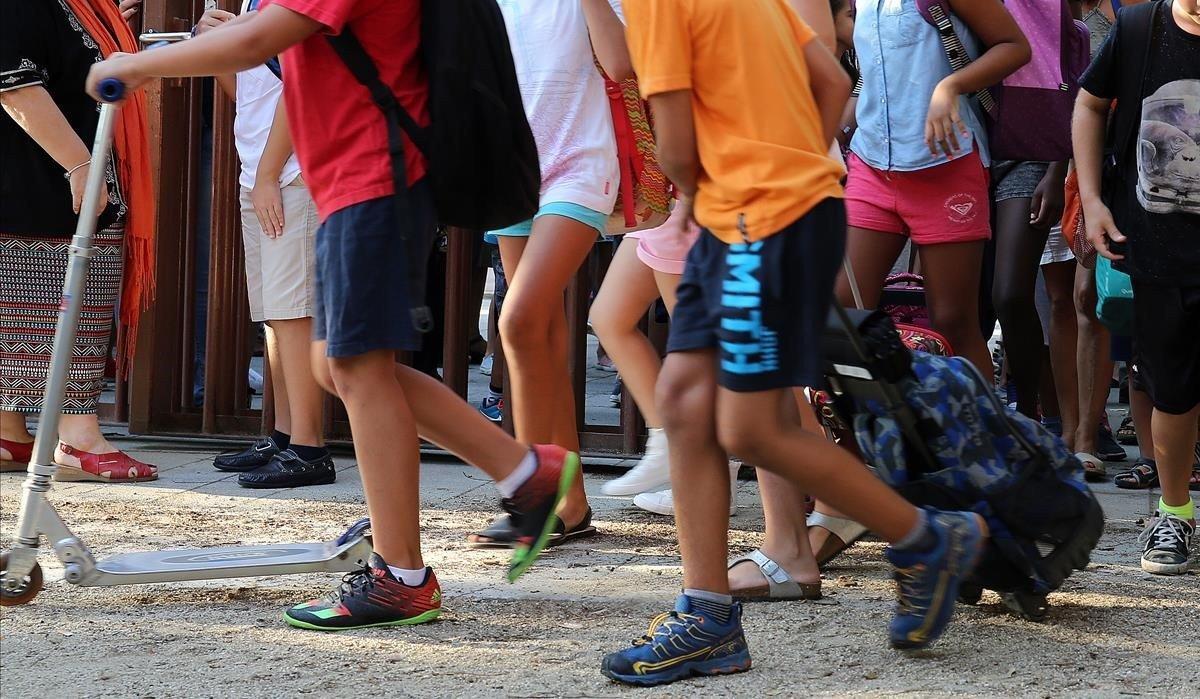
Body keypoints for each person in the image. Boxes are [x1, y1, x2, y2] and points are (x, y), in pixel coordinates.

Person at [87, 0, 580, 629]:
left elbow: (260, 39)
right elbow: (276, 49)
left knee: (354, 368)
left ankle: (402, 573)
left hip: (374, 176)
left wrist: (139, 63)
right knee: (339, 366)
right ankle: (525, 473)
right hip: (356, 178)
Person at [603, 0, 991, 686]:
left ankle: (929, 537)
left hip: (755, 222)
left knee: (751, 427)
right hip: (764, 216)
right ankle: (707, 616)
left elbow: (678, 152)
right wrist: (795, 173)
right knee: (685, 401)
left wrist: (747, 189)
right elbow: (834, 83)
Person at [466, 0, 631, 548]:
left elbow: (622, 63)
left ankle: (534, 501)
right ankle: (571, 501)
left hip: (579, 162)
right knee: (539, 328)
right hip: (508, 165)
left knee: (518, 322)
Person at [1, 0, 157, 483]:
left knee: (45, 305)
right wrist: (81, 165)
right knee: (66, 304)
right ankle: (77, 437)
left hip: (47, 181)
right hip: (45, 179)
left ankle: (9, 433)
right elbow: (14, 83)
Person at [838, 0, 1031, 377]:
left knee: (953, 322)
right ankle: (863, 430)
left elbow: (1014, 46)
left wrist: (951, 86)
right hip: (871, 163)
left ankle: (982, 432)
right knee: (843, 312)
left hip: (947, 163)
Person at [1073, 0, 1199, 575]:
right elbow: (1090, 104)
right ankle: (1174, 514)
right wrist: (1094, 200)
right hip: (1160, 246)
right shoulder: (1139, 28)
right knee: (1170, 385)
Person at [195, 4, 333, 489]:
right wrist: (216, 50)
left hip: (291, 173)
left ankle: (309, 447)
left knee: (294, 311)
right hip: (263, 172)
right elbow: (249, 92)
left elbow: (304, 86)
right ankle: (285, 435)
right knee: (277, 312)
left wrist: (271, 174)